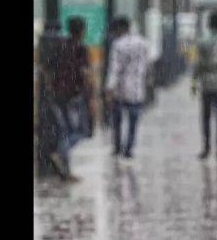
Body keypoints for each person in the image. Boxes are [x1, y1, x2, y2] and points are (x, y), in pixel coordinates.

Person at [49, 16, 95, 181]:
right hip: (74, 96)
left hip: (56, 94)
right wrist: (91, 97)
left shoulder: (60, 46)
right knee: (80, 131)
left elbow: (49, 69)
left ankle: (66, 171)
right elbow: (85, 74)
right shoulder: (81, 49)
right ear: (82, 30)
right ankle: (60, 155)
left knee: (64, 132)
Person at [105, 16, 149, 159]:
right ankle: (129, 148)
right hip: (137, 87)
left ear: (119, 29)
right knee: (133, 120)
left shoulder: (117, 45)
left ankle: (117, 146)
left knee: (117, 119)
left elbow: (115, 68)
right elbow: (147, 63)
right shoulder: (142, 42)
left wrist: (109, 88)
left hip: (120, 88)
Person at [191, 12, 217, 161]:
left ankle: (206, 148)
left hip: (206, 84)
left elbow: (198, 64)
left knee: (206, 118)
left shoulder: (202, 41)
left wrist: (194, 82)